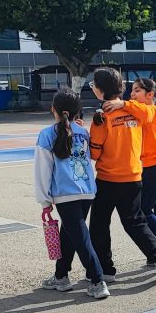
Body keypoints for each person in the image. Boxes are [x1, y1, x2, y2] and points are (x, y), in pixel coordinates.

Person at [87, 68, 156, 281]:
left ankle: (106, 270)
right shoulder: (137, 112)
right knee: (135, 222)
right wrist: (124, 105)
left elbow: (94, 153)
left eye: (93, 85)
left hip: (108, 178)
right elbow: (147, 113)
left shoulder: (101, 117)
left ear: (99, 90)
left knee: (99, 224)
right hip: (134, 176)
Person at [35, 88, 109, 300]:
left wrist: (44, 200)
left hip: (65, 193)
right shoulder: (83, 132)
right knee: (70, 234)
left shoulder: (46, 135)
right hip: (87, 191)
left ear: (53, 110)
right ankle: (61, 276)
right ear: (78, 111)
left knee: (80, 237)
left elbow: (42, 170)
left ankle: (97, 280)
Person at [106, 78, 156, 266]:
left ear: (150, 95)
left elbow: (141, 111)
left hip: (155, 167)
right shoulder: (153, 111)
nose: (132, 94)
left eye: (137, 91)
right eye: (131, 91)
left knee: (142, 209)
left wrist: (122, 103)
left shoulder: (151, 110)